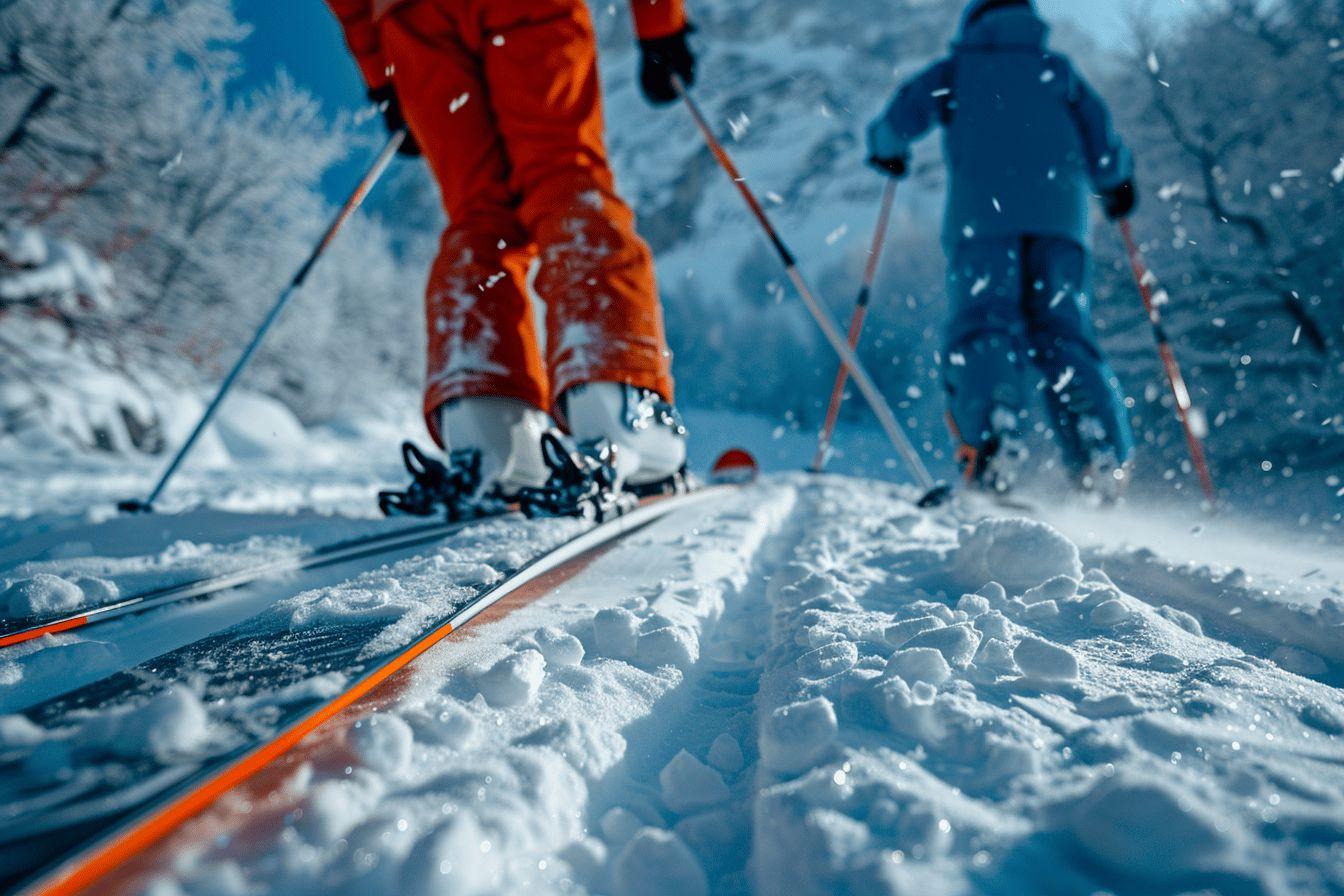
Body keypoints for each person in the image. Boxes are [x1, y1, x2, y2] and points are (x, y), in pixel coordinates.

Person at [325, 0, 695, 505]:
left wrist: (382, 74)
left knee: (480, 216)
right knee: (565, 178)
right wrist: (660, 26)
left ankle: (487, 418)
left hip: (414, 21)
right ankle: (616, 395)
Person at [866, 0, 1137, 496]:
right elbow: (1103, 139)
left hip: (985, 222)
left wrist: (885, 149)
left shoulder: (959, 69)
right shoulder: (1059, 72)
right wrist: (1117, 182)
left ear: (974, 21)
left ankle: (992, 440)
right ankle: (1099, 452)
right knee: (1063, 332)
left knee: (986, 323)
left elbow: (900, 117)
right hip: (1062, 226)